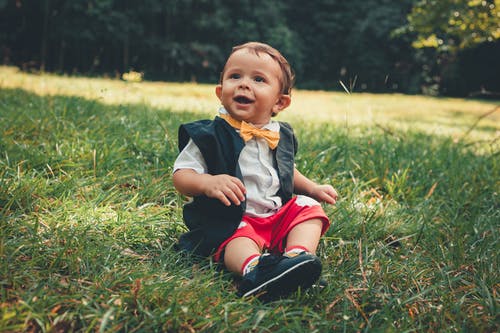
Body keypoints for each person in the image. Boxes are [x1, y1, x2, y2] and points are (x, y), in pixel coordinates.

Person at [173, 41, 338, 299]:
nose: (244, 84)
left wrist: (313, 188)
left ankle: (296, 258)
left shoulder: (279, 135)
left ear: (280, 102)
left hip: (274, 216)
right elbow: (182, 176)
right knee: (235, 235)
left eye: (258, 79)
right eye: (235, 76)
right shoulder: (208, 135)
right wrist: (208, 183)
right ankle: (256, 269)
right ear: (220, 91)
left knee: (308, 207)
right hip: (231, 219)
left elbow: (287, 171)